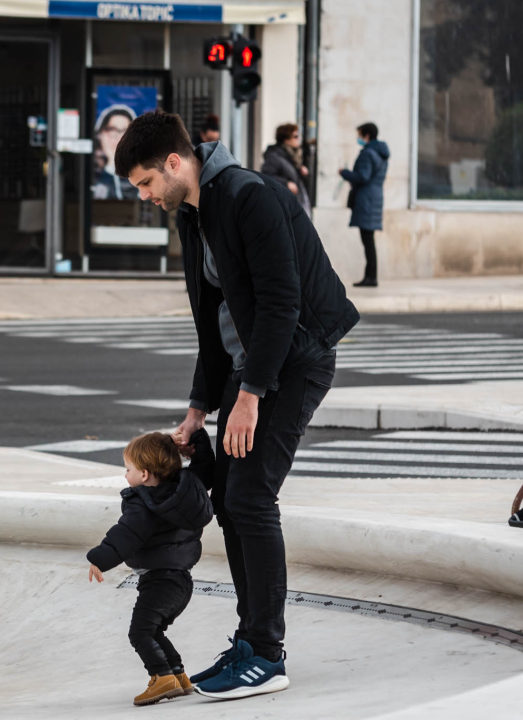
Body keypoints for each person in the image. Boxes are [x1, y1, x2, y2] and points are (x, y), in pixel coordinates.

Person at [113, 110, 359, 701]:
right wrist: (200, 407)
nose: (146, 197)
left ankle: (266, 653)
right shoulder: (194, 212)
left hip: (296, 358)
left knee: (250, 497)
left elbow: (281, 304)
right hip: (253, 363)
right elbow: (212, 320)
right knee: (229, 494)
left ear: (175, 163)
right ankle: (251, 644)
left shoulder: (252, 197)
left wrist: (249, 397)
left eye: (146, 182)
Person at [87, 429, 214, 707]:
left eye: (128, 469)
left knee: (140, 633)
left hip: (158, 581)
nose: (125, 475)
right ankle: (179, 676)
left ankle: (161, 677)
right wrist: (198, 441)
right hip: (181, 581)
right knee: (154, 631)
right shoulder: (186, 491)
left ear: (144, 475)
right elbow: (205, 469)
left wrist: (100, 558)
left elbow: (126, 534)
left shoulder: (144, 504)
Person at [339, 122, 390, 287]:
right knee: (369, 239)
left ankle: (371, 277)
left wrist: (345, 173)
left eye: (360, 135)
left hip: (366, 200)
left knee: (367, 240)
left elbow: (362, 177)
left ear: (367, 136)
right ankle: (370, 276)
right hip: (374, 198)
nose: (359, 138)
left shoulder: (368, 154)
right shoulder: (380, 153)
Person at [261, 123, 311, 217]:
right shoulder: (274, 155)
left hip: (296, 202)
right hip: (283, 206)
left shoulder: (293, 156)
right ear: (286, 140)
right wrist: (286, 183)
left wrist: (300, 170)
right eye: (295, 136)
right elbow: (266, 176)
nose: (298, 138)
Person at [93, 106, 138, 200]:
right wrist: (110, 164)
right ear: (101, 134)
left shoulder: (140, 176)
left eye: (125, 131)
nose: (118, 138)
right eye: (112, 130)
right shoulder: (92, 175)